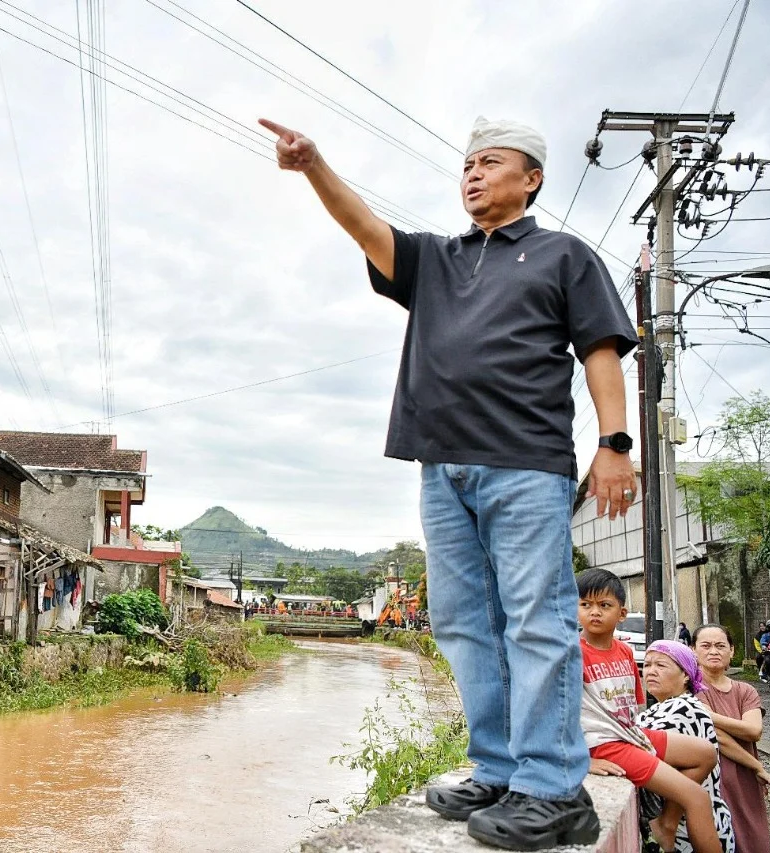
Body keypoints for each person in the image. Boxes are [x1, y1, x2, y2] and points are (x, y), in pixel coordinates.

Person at [260, 113, 639, 849]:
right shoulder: (437, 258)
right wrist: (313, 166)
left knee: (536, 620)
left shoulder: (564, 255)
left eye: (490, 162)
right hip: (443, 468)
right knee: (464, 622)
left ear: (529, 178)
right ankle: (500, 768)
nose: (471, 173)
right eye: (466, 163)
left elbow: (599, 350)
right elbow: (364, 225)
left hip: (526, 463)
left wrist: (616, 443)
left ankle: (556, 786)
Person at [577, 569, 722, 853]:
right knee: (697, 798)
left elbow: (632, 706)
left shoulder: (625, 651)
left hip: (629, 734)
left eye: (604, 605)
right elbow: (553, 711)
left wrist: (640, 740)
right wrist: (581, 759)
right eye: (585, 605)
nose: (594, 612)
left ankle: (665, 824)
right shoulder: (573, 653)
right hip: (603, 744)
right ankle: (665, 829)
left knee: (705, 753)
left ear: (621, 613)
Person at [636, 640, 737, 852]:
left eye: (661, 665)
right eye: (647, 665)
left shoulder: (685, 708)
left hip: (689, 834)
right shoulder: (657, 710)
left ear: (685, 675)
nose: (651, 671)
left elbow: (639, 748)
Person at [693, 623, 770, 852]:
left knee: (754, 838)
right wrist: (757, 765)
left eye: (721, 645)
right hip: (710, 777)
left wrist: (708, 716)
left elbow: (753, 731)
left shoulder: (745, 690)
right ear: (693, 650)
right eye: (706, 645)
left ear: (731, 651)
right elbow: (717, 738)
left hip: (745, 779)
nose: (714, 651)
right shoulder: (692, 689)